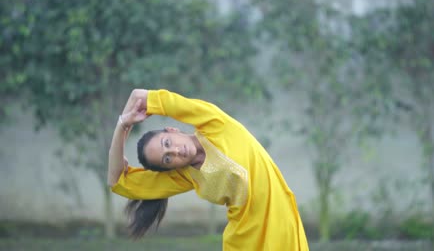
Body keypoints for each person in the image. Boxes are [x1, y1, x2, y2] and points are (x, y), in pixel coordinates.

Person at [108, 89, 309, 250]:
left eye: (168, 142)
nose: (175, 151)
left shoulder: (215, 123)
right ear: (169, 167)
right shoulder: (184, 175)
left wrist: (128, 120)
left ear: (172, 130)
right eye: (167, 158)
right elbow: (117, 182)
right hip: (243, 242)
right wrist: (121, 128)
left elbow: (138, 96)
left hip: (282, 227)